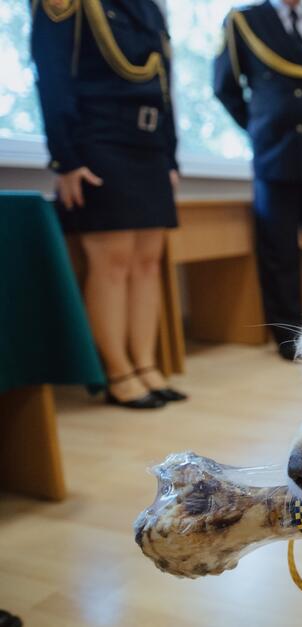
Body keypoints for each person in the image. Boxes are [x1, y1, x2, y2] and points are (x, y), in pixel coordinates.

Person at [31, 0, 186, 409]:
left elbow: (166, 88)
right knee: (112, 261)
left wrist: (169, 155)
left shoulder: (150, 8)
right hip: (99, 141)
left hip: (149, 147)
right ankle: (118, 372)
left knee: (148, 261)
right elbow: (51, 73)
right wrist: (65, 157)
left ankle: (146, 365)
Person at [214, 0, 302, 360]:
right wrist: (261, 126)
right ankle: (289, 339)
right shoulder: (244, 21)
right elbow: (224, 86)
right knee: (279, 251)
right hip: (276, 154)